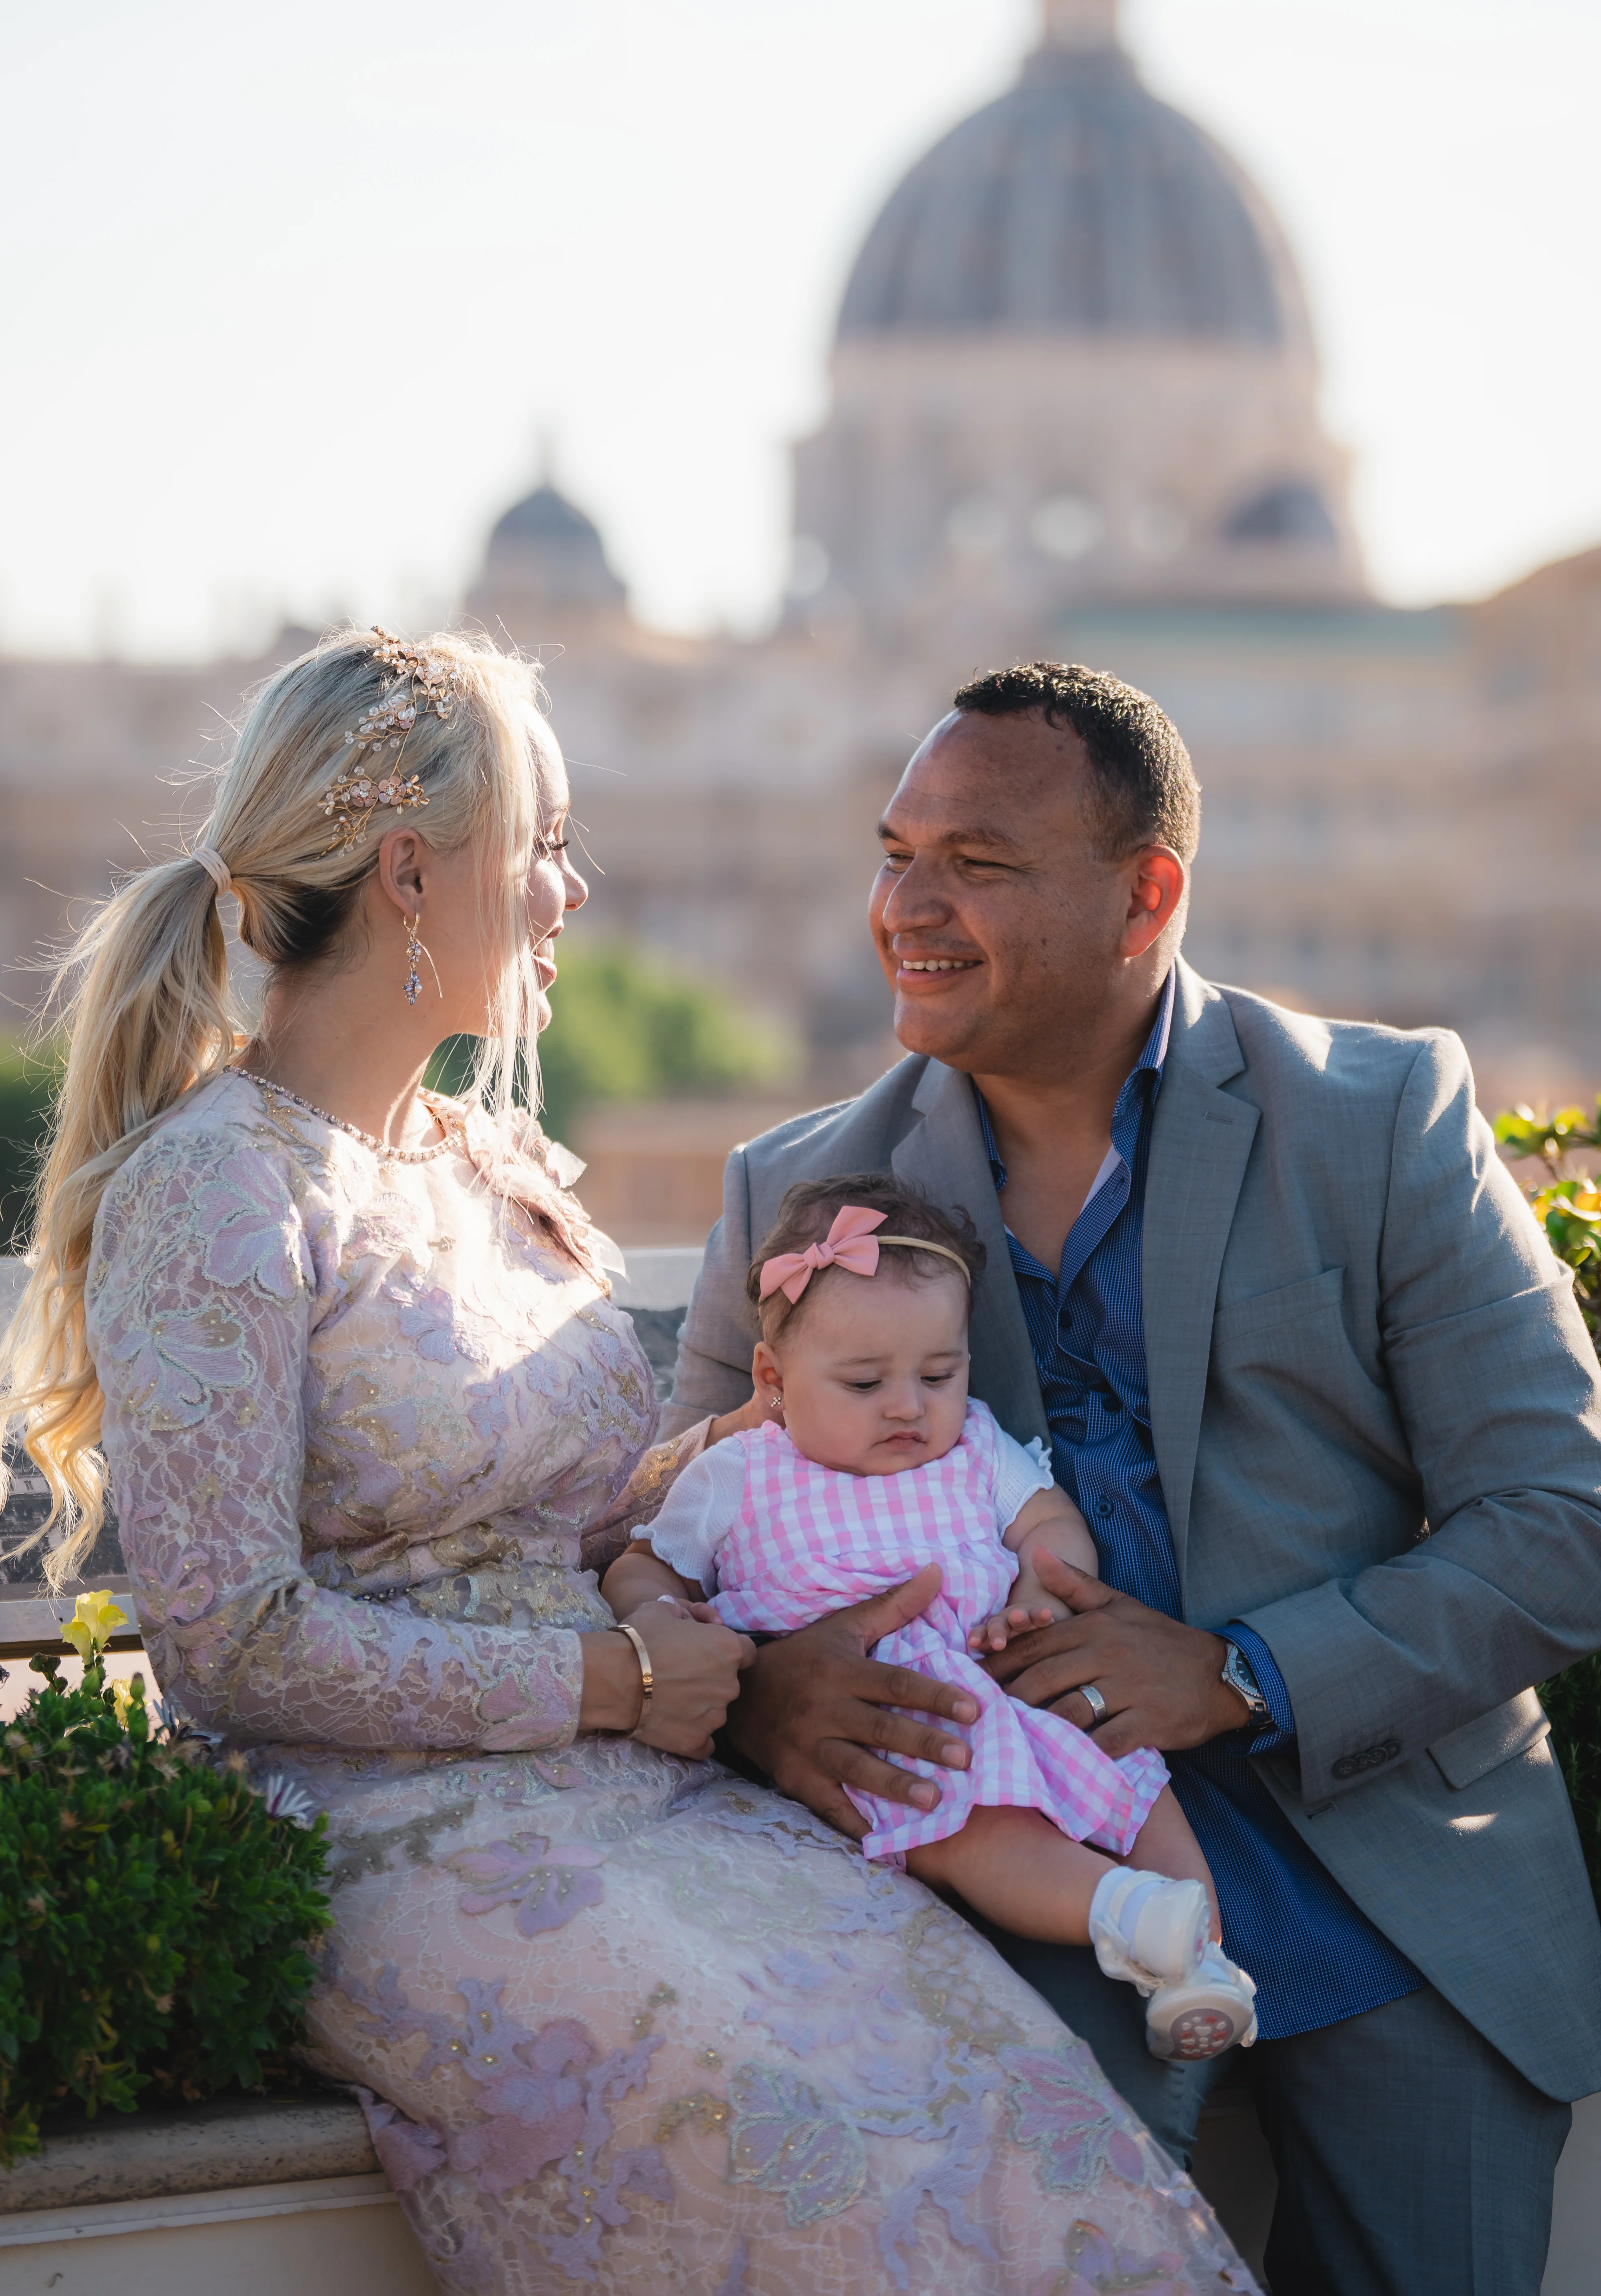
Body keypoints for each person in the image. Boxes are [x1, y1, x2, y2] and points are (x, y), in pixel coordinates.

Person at [0, 628, 1256, 2296]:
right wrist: (605, 1677)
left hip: (655, 1795)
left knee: (1009, 2089)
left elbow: (585, 1508)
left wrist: (767, 1470)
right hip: (401, 1833)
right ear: (407, 876)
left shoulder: (487, 1161)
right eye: (542, 843)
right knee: (797, 2123)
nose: (571, 887)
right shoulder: (217, 1187)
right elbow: (229, 1642)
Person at [668, 659, 1601, 2296]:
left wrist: (1240, 1673)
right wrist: (767, 1696)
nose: (905, 905)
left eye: (976, 862)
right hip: (1001, 1861)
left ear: (1146, 894)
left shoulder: (1382, 1117)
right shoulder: (794, 1192)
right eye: (895, 852)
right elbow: (667, 1535)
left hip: (1378, 1853)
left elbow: (1565, 1530)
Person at [605, 1176, 1258, 2063]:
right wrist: (656, 1616)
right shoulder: (739, 1472)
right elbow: (645, 1561)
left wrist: (1037, 1590)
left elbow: (1049, 1522)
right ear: (773, 1380)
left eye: (938, 1374)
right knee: (972, 1827)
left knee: (1138, 1786)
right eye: (864, 1381)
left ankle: (1203, 1960)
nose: (909, 1405)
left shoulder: (975, 1445)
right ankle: (1122, 1911)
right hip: (892, 1713)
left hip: (1011, 1675)